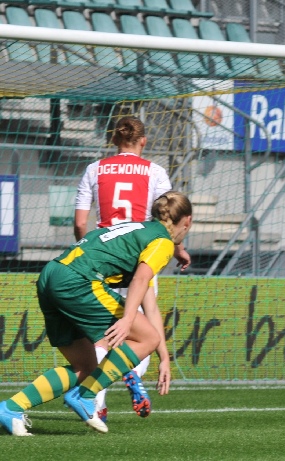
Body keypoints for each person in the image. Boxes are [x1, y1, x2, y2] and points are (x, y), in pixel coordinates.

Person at [0, 191, 192, 436]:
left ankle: (10, 408)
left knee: (85, 366)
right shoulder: (162, 242)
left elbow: (148, 300)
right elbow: (142, 279)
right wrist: (128, 319)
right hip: (77, 281)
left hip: (51, 275)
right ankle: (86, 395)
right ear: (187, 221)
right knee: (146, 338)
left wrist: (164, 358)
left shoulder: (138, 231)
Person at [74, 115, 190, 422]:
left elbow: (80, 222)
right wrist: (178, 250)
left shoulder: (94, 169)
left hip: (102, 259)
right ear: (144, 141)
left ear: (114, 140)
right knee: (145, 332)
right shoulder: (155, 171)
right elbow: (168, 216)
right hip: (142, 256)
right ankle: (132, 372)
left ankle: (96, 404)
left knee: (100, 334)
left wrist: (86, 253)